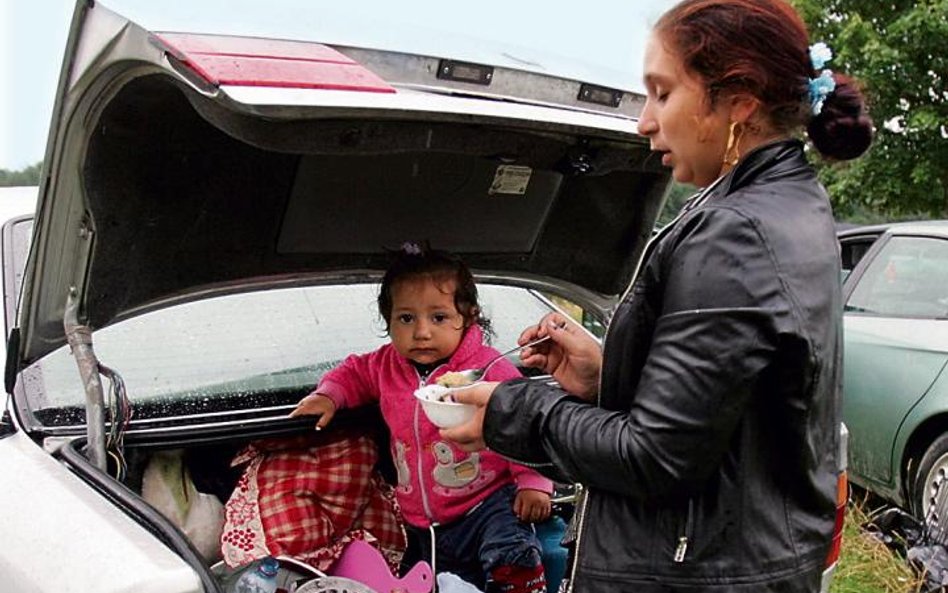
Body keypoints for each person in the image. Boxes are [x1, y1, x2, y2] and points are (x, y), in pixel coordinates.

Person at [441, 1, 873, 591]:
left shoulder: (735, 232)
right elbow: (735, 408)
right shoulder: (786, 202)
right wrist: (611, 375)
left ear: (739, 101)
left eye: (662, 94)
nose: (645, 122)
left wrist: (513, 410)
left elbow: (656, 459)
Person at [291, 243, 553, 593]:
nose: (422, 332)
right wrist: (328, 395)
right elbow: (352, 373)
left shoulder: (490, 367)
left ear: (468, 316)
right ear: (388, 322)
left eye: (439, 317)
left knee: (510, 552)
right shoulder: (384, 366)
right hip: (423, 521)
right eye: (406, 318)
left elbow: (525, 421)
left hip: (488, 501)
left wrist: (534, 483)